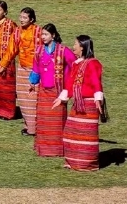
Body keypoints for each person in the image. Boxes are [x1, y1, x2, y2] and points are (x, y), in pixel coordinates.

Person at [56, 34, 105, 171]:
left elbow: (96, 82)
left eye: (75, 44)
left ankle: (86, 164)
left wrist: (98, 99)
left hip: (88, 104)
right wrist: (62, 98)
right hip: (77, 103)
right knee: (70, 132)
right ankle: (72, 161)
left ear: (82, 47)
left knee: (86, 135)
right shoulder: (76, 64)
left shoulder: (93, 63)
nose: (73, 47)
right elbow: (71, 82)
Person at [29, 23, 75, 158]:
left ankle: (58, 149)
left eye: (46, 34)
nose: (43, 37)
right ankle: (43, 149)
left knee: (57, 122)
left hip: (58, 91)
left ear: (53, 35)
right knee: (43, 121)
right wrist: (32, 82)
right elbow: (36, 68)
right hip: (44, 91)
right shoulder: (38, 51)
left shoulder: (63, 50)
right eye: (42, 34)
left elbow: (75, 65)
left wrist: (69, 82)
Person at [15, 7, 41, 135]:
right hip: (22, 68)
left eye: (25, 17)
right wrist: (3, 65)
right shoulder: (17, 31)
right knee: (22, 97)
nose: (21, 20)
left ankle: (34, 128)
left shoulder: (38, 32)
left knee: (32, 98)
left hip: (35, 69)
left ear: (32, 19)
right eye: (21, 17)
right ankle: (28, 125)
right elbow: (11, 49)